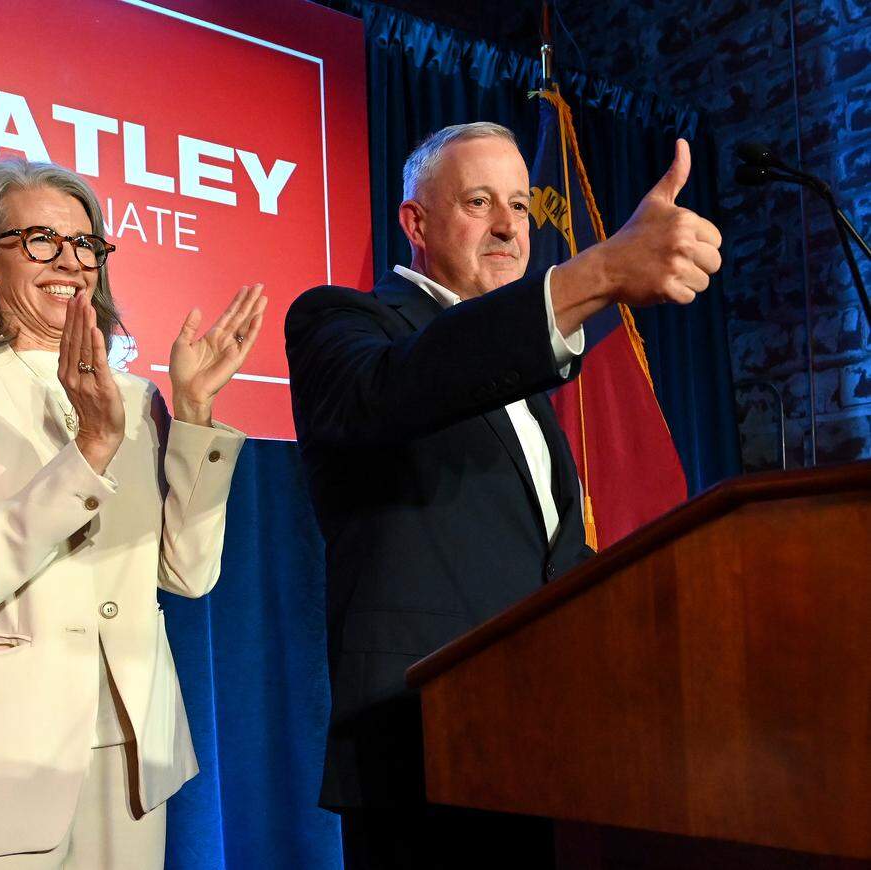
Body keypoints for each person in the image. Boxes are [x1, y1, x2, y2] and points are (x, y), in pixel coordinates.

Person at [285, 122, 722, 869]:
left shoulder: (526, 368)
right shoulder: (341, 323)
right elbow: (399, 389)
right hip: (422, 751)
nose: (507, 227)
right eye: (479, 201)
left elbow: (547, 556)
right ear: (414, 223)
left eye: (520, 206)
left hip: (549, 750)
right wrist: (600, 272)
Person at [0, 159, 266, 869]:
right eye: (42, 239)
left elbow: (187, 575)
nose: (71, 262)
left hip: (132, 753)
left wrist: (194, 417)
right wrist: (91, 448)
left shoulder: (136, 399)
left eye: (86, 245)